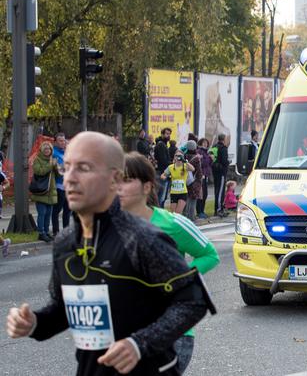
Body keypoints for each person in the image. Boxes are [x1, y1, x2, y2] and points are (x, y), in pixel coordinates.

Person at [6, 132, 210, 376]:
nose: (70, 179)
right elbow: (63, 309)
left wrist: (139, 344)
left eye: (84, 168)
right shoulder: (65, 242)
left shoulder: (141, 238)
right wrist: (35, 323)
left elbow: (193, 301)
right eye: (66, 168)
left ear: (114, 179)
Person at [118, 152, 219, 374]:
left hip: (172, 335)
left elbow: (210, 255)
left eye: (126, 180)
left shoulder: (172, 223)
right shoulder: (108, 228)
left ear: (146, 187)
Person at [31, 141, 59, 242]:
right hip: (41, 191)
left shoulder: (52, 160)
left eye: (49, 149)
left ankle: (47, 232)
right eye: (45, 149)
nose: (47, 151)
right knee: (42, 213)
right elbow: (39, 171)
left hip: (51, 191)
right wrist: (50, 166)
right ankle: (41, 233)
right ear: (42, 150)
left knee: (48, 213)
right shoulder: (37, 159)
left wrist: (56, 167)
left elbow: (58, 175)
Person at [51, 133, 71, 234]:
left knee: (68, 210)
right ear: (55, 142)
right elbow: (58, 170)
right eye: (60, 140)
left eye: (64, 140)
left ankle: (66, 232)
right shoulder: (54, 153)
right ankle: (56, 231)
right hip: (59, 185)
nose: (63, 142)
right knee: (57, 209)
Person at [184, 141, 203, 222]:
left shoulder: (184, 156)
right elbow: (199, 171)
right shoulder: (196, 158)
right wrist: (200, 180)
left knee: (187, 198)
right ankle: (191, 218)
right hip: (194, 181)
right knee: (193, 199)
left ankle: (186, 216)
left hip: (186, 180)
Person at [212, 133, 229, 217]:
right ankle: (219, 209)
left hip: (215, 170)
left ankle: (218, 208)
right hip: (221, 172)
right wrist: (227, 163)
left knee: (217, 189)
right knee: (220, 191)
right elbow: (224, 161)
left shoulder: (214, 147)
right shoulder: (223, 148)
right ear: (224, 139)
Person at [154, 128, 172, 207]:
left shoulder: (163, 144)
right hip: (162, 173)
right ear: (162, 134)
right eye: (167, 134)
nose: (168, 136)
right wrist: (172, 164)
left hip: (162, 172)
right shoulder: (161, 145)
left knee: (162, 196)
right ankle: (159, 214)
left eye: (169, 134)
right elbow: (163, 160)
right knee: (161, 196)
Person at [196, 138, 212, 219]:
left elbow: (209, 164)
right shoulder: (199, 151)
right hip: (201, 175)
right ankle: (199, 211)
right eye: (204, 142)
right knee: (201, 194)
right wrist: (209, 158)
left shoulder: (206, 152)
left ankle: (202, 210)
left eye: (206, 143)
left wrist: (210, 159)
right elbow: (201, 163)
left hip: (205, 175)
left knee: (205, 194)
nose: (205, 144)